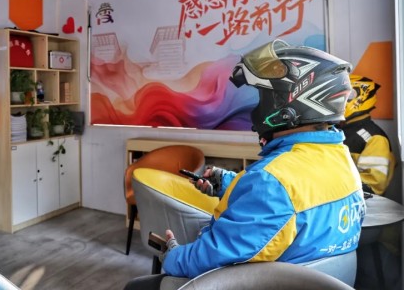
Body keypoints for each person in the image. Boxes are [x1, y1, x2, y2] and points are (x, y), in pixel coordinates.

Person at [124, 40, 365, 289]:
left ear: (287, 105)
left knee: (136, 286)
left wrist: (173, 255)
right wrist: (227, 182)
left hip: (262, 283)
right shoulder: (340, 160)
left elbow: (213, 256)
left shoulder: (272, 182)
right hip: (315, 277)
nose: (257, 109)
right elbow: (294, 201)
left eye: (263, 97)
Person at [339, 75, 396, 195]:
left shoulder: (375, 138)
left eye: (347, 96)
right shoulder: (339, 130)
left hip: (361, 203)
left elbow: (373, 185)